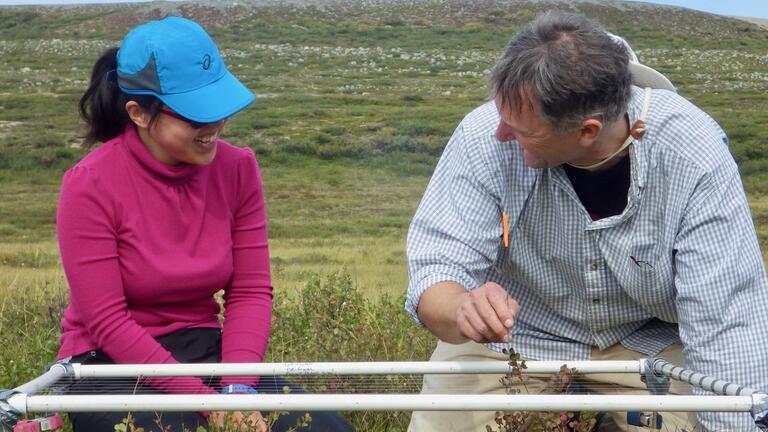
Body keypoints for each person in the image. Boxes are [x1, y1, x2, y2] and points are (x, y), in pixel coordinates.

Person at [405, 11, 768, 432]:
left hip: (649, 343)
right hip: (515, 340)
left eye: (522, 131)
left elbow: (726, 320)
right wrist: (464, 309)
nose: (501, 133)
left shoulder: (693, 154)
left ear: (587, 131)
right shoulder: (482, 135)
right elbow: (436, 270)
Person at [56, 16, 355, 432]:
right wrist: (210, 405)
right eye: (196, 116)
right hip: (109, 365)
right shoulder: (89, 184)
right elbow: (108, 322)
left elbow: (250, 291)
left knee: (328, 428)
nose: (214, 125)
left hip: (206, 353)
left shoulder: (237, 168)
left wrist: (238, 390)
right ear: (138, 113)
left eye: (220, 108)